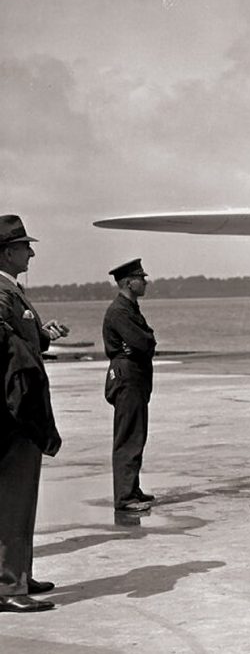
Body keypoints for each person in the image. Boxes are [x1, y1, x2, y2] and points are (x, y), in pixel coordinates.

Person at [0, 215, 67, 613]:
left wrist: (42, 334)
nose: (31, 252)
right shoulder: (0, 291)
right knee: (14, 499)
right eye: (25, 246)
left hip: (18, 408)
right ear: (7, 252)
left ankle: (18, 574)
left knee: (17, 498)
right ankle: (9, 585)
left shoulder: (12, 291)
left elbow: (17, 337)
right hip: (13, 412)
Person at [103, 259, 158, 512]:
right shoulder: (120, 311)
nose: (145, 282)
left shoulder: (129, 308)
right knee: (128, 437)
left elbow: (144, 341)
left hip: (135, 375)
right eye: (141, 278)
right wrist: (146, 340)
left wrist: (145, 340)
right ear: (128, 282)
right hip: (128, 376)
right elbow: (142, 342)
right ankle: (124, 498)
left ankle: (132, 489)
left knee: (137, 434)